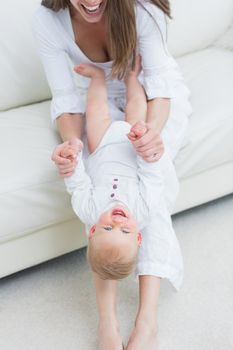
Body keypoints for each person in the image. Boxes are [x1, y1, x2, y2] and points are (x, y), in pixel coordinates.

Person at [32, 0, 193, 349]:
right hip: (92, 100)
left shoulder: (143, 11)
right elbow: (66, 100)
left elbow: (160, 88)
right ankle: (108, 320)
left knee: (155, 182)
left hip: (150, 100)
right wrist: (73, 147)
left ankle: (146, 320)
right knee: (104, 181)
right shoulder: (49, 21)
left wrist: (149, 136)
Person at [62, 60, 167, 284]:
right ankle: (131, 77)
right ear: (138, 237)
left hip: (102, 146)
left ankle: (98, 77)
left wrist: (73, 162)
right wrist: (144, 152)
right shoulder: (143, 211)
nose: (118, 223)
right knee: (137, 105)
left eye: (108, 228)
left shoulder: (88, 211)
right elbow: (152, 179)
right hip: (132, 147)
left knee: (95, 111)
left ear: (92, 231)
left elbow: (78, 184)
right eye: (125, 232)